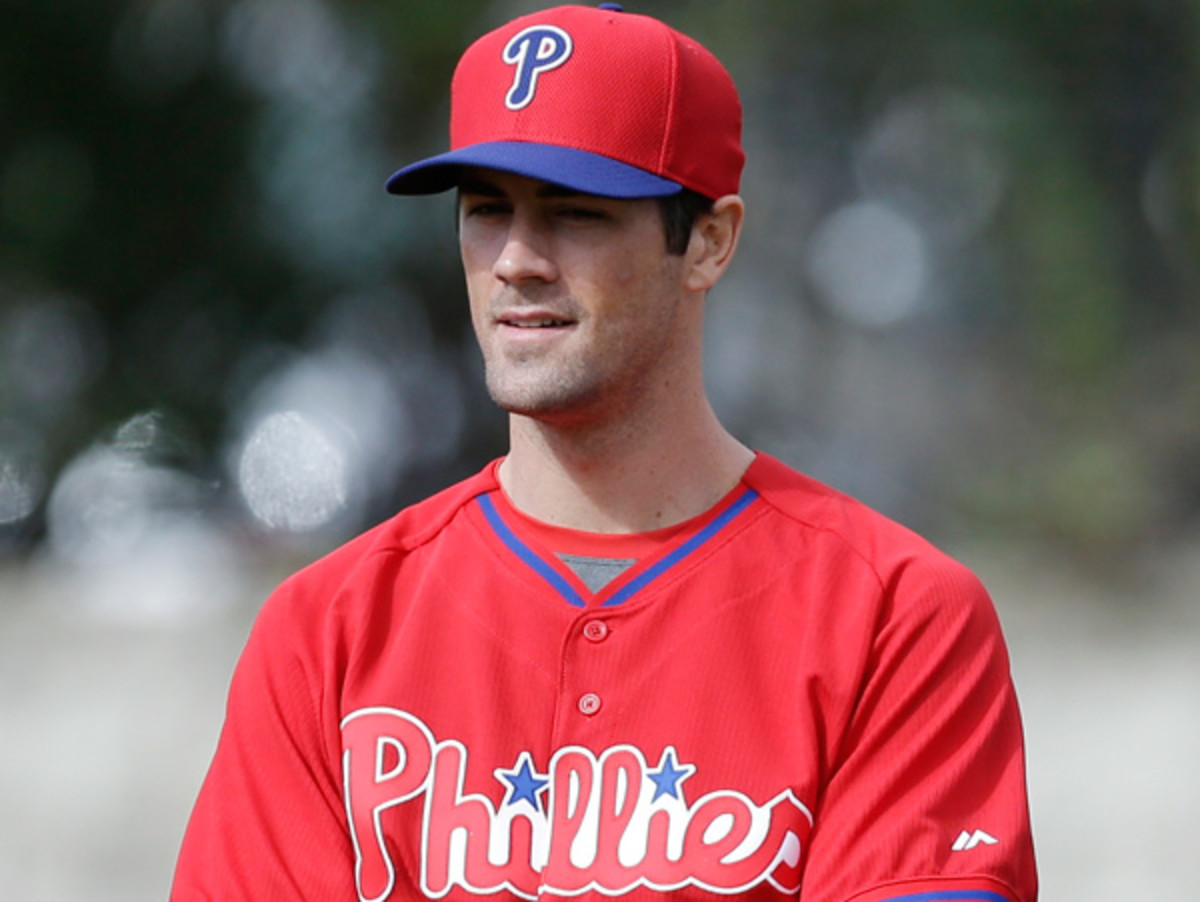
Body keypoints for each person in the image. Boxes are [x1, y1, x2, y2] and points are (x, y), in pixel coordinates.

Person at [172, 4, 1037, 901]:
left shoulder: (894, 618)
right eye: (485, 211)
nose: (516, 260)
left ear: (709, 241)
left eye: (575, 214)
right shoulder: (328, 632)